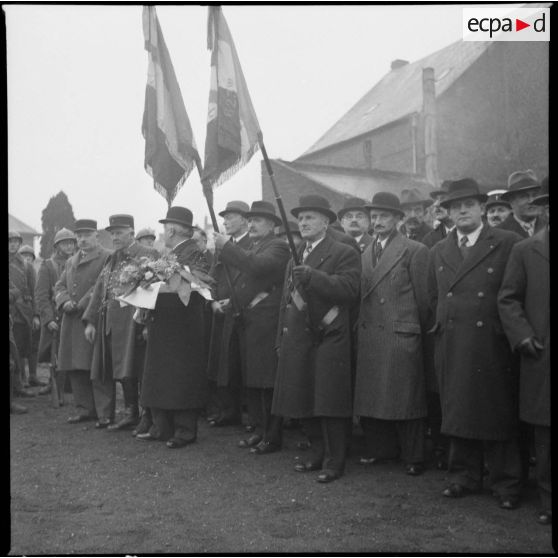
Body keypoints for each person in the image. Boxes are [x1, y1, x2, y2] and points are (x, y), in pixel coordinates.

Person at [427, 178, 523, 510]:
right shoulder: (440, 249)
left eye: (468, 205)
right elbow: (433, 295)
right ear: (448, 213)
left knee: (496, 410)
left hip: (490, 340)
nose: (462, 211)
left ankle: (505, 481)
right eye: (455, 207)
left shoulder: (507, 241)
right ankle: (462, 476)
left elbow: (514, 292)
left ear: (482, 208)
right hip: (452, 339)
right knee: (458, 408)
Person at [272, 195, 361, 483]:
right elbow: (286, 301)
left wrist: (313, 277)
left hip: (329, 334)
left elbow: (349, 289)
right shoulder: (297, 253)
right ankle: (317, 451)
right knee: (304, 396)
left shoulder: (342, 251)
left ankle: (335, 461)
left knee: (329, 401)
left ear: (326, 222)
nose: (304, 222)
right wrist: (280, 338)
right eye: (301, 218)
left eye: (311, 217)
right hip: (298, 335)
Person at [354, 192, 430, 476]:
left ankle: (414, 455)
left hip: (400, 332)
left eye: (385, 216)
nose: (378, 221)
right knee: (374, 394)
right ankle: (381, 450)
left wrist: (411, 329)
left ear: (398, 219)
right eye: (374, 217)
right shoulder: (364, 252)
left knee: (405, 397)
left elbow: (424, 301)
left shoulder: (414, 250)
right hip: (371, 331)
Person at [214, 201, 290, 453]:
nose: (252, 224)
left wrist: (225, 247)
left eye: (258, 220)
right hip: (249, 320)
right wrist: (231, 302)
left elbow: (255, 267)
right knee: (253, 380)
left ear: (272, 225)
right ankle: (259, 430)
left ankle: (272, 435)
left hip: (267, 323)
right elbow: (247, 285)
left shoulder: (278, 247)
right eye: (250, 220)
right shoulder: (257, 247)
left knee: (266, 381)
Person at [498, 177, 551, 525]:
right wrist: (523, 336)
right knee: (546, 431)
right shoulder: (526, 250)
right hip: (542, 354)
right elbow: (508, 299)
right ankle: (548, 498)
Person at [137, 207, 209, 448]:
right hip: (166, 324)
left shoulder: (194, 252)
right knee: (163, 377)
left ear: (173, 230)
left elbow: (197, 283)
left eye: (165, 228)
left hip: (183, 326)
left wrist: (156, 284)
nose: (162, 233)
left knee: (181, 378)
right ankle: (163, 427)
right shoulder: (171, 253)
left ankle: (185, 431)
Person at [83, 214, 158, 429]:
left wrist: (147, 321)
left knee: (140, 368)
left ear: (132, 233)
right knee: (122, 370)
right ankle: (130, 413)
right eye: (112, 233)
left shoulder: (147, 254)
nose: (115, 237)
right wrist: (90, 321)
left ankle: (147, 415)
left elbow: (155, 289)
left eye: (119, 232)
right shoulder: (112, 258)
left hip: (135, 323)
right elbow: (99, 290)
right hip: (112, 323)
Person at [54, 220, 112, 423]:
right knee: (76, 365)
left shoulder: (106, 257)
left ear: (97, 235)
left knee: (97, 365)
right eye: (79, 236)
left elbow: (102, 284)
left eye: (87, 235)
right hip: (71, 319)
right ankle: (84, 409)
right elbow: (59, 285)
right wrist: (64, 301)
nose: (82, 239)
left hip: (93, 316)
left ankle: (104, 412)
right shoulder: (71, 261)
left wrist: (80, 303)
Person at [206, 201, 252, 429]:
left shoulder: (252, 245)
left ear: (245, 219)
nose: (225, 221)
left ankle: (248, 415)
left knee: (240, 364)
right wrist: (212, 301)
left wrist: (233, 302)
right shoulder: (222, 247)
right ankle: (229, 410)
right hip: (221, 312)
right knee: (223, 363)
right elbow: (213, 277)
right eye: (224, 218)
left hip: (242, 310)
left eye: (231, 217)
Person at [35, 228, 77, 395]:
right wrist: (48, 318)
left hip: (74, 315)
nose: (68, 246)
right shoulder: (48, 265)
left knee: (73, 350)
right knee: (55, 352)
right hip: (56, 317)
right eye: (64, 243)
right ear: (57, 246)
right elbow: (41, 295)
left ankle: (70, 383)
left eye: (71, 242)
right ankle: (53, 382)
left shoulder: (77, 262)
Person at [9, 230, 39, 397]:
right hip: (10, 312)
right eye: (9, 241)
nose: (13, 244)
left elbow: (33, 292)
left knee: (19, 350)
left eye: (15, 241)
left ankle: (19, 385)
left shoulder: (26, 266)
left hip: (22, 315)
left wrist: (35, 315)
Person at [17, 243, 45, 389]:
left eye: (29, 256)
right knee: (20, 347)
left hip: (31, 314)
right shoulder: (14, 271)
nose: (26, 259)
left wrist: (36, 315)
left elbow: (37, 295)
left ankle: (33, 376)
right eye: (23, 255)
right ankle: (22, 378)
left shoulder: (34, 272)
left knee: (33, 346)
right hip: (18, 315)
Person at [498, 170, 545, 238]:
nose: (531, 200)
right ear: (511, 202)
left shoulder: (546, 226)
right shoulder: (499, 233)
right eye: (524, 196)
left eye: (535, 195)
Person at [422, 181, 455, 248]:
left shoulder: (475, 234)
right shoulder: (429, 239)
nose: (436, 204)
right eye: (436, 199)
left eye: (443, 199)